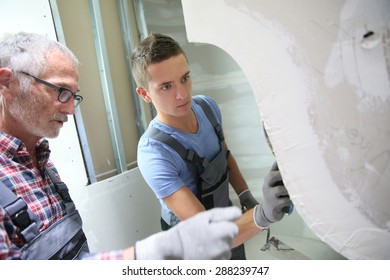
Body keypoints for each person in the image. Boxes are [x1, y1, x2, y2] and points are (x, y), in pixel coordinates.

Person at [0, 31, 242, 260]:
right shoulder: (154, 149)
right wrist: (138, 256)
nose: (71, 109)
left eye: (75, 95)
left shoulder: (43, 163)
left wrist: (245, 195)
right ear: (6, 83)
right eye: (61, 91)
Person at [133, 33, 293, 260]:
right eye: (166, 87)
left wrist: (245, 194)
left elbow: (223, 154)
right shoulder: (153, 152)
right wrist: (263, 214)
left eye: (185, 78)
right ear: (144, 94)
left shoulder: (207, 107)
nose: (182, 94)